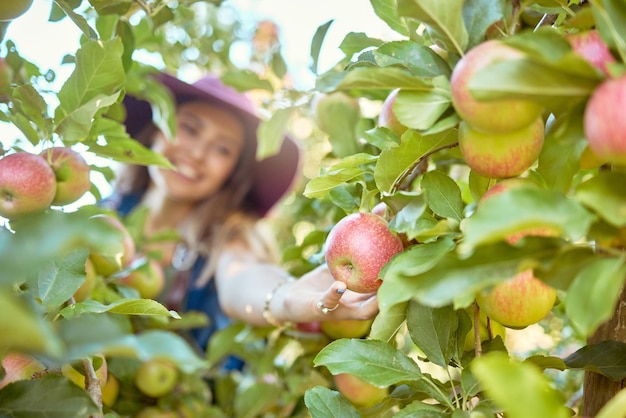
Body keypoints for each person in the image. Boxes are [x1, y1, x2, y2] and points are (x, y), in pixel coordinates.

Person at [103, 71, 379, 361]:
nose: (198, 153)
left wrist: (283, 297)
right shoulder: (103, 214)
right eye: (189, 128)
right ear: (158, 127)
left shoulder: (225, 238)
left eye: (222, 149)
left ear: (232, 172)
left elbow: (243, 276)